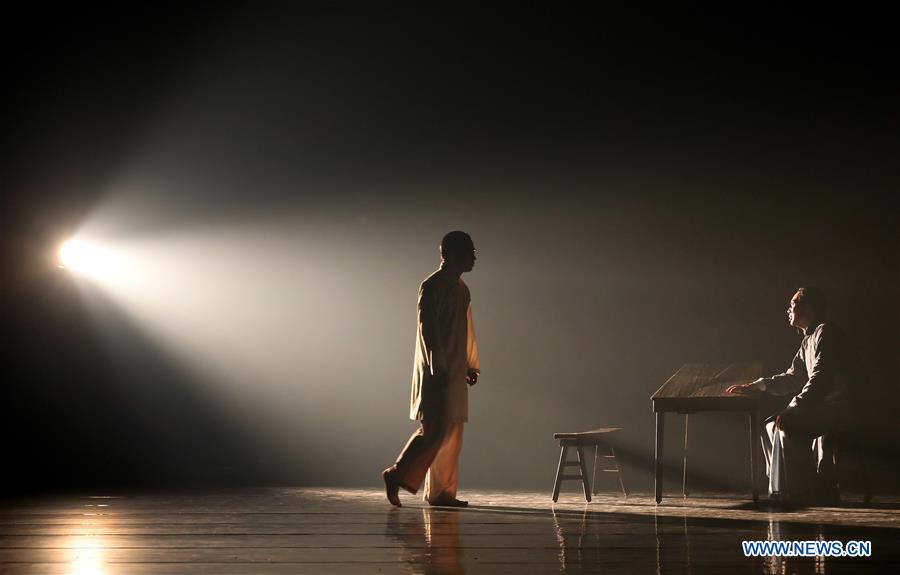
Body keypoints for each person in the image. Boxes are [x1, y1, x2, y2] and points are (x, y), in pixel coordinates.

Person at [726, 287, 863, 504]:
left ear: (809, 307)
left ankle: (803, 489)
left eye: (793, 304)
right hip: (822, 406)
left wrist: (794, 407)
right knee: (769, 425)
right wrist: (758, 385)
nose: (788, 309)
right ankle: (783, 488)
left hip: (838, 406)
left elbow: (821, 378)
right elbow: (794, 377)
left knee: (786, 424)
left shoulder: (826, 333)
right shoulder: (807, 341)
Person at [382, 231, 480, 507]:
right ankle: (396, 473)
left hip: (454, 366)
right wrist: (439, 367)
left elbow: (466, 330)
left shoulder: (462, 289)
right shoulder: (432, 286)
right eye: (468, 252)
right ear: (451, 254)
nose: (473, 257)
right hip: (436, 368)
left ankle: (441, 492)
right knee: (434, 429)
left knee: (451, 431)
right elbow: (429, 332)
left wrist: (468, 364)